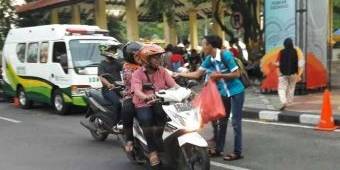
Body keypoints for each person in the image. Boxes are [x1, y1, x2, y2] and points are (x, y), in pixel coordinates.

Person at [175, 35, 245, 161]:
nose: (202, 47)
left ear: (211, 46)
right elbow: (197, 74)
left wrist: (219, 75)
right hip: (224, 93)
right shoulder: (209, 59)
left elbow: (236, 73)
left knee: (235, 122)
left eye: (204, 44)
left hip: (236, 92)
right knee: (222, 121)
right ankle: (219, 149)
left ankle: (237, 152)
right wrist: (178, 73)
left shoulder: (226, 55)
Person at [131, 44, 179, 167]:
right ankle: (152, 152)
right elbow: (137, 91)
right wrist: (146, 96)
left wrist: (185, 91)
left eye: (159, 57)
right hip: (143, 104)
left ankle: (166, 144)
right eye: (155, 58)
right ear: (146, 59)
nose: (159, 60)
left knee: (170, 119)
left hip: (160, 102)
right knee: (147, 121)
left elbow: (174, 85)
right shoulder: (137, 74)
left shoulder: (162, 71)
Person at [121, 42, 143, 153]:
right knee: (127, 110)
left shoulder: (145, 64)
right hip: (131, 95)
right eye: (137, 55)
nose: (139, 57)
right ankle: (129, 139)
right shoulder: (127, 67)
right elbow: (132, 81)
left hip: (148, 94)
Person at [97, 42, 123, 129]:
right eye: (112, 50)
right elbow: (101, 77)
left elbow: (126, 68)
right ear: (106, 51)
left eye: (115, 50)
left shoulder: (117, 62)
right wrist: (108, 84)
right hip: (108, 90)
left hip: (119, 88)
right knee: (117, 103)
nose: (114, 52)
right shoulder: (102, 64)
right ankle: (114, 124)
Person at [274, 38, 303, 110]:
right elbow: (296, 62)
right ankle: (289, 101)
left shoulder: (281, 52)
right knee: (291, 87)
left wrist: (276, 65)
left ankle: (284, 101)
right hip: (293, 73)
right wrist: (297, 73)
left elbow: (277, 62)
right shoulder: (295, 51)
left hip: (283, 73)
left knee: (281, 88)